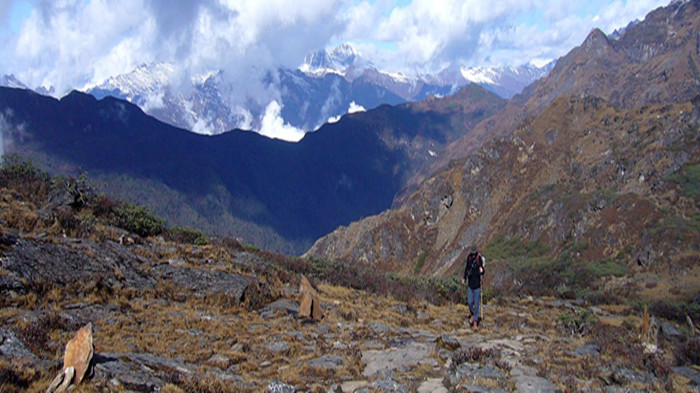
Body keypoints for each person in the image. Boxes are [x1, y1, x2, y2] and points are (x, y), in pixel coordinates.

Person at [462, 245, 485, 330]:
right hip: (470, 284)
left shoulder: (479, 259)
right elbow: (467, 268)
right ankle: (472, 313)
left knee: (477, 303)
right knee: (470, 302)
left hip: (477, 285)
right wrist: (464, 277)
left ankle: (475, 322)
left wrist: (482, 271)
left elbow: (482, 270)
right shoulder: (469, 258)